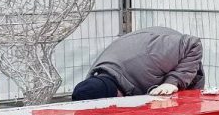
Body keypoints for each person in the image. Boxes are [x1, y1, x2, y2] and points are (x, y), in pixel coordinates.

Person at [72, 26, 204, 99]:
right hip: (147, 84)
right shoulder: (95, 76)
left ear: (116, 95)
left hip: (184, 76)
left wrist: (174, 81)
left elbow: (193, 45)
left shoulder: (149, 54)